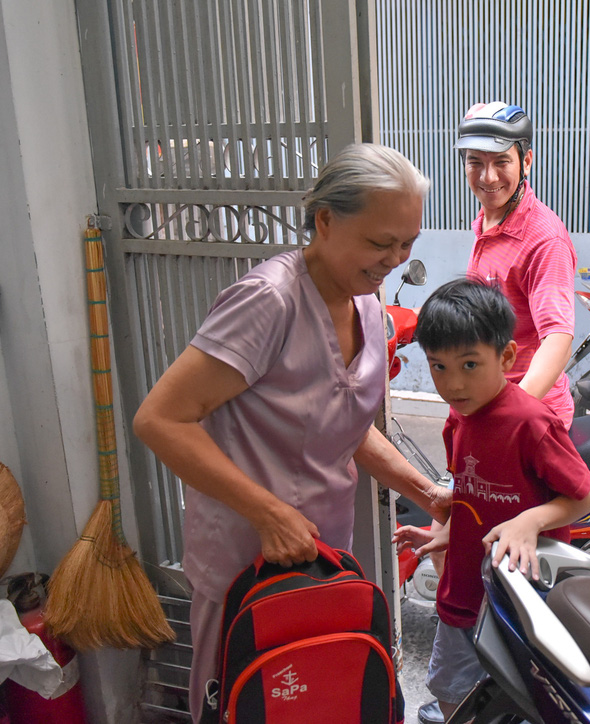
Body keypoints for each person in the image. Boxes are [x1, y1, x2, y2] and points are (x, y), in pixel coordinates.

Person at [132, 143, 452, 723]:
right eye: (381, 243)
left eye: (407, 243)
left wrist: (428, 493)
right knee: (247, 704)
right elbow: (160, 419)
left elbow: (344, 425)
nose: (395, 259)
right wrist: (267, 513)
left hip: (322, 559)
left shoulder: (369, 307)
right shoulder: (269, 300)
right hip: (245, 566)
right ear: (325, 221)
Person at [393, 278, 590, 722]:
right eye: (438, 367)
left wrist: (530, 521)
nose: (453, 383)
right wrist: (443, 532)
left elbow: (585, 496)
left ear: (505, 357)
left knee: (522, 699)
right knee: (452, 690)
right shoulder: (458, 421)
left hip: (521, 598)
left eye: (470, 364)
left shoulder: (530, 423)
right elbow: (471, 492)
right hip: (462, 592)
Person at [457, 101, 578, 427]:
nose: (488, 176)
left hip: (528, 420)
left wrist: (512, 412)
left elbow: (558, 338)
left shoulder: (544, 240)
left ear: (526, 162)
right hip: (486, 404)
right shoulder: (487, 221)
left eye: (501, 162)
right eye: (475, 162)